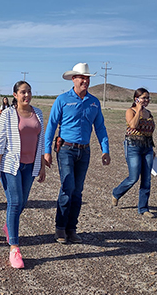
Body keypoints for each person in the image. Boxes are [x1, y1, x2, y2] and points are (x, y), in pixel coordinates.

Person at [44, 63, 110, 244]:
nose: (85, 81)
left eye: (87, 78)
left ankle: (72, 229)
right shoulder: (63, 100)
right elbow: (51, 125)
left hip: (84, 151)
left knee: (78, 191)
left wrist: (105, 150)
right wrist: (46, 150)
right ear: (74, 79)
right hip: (65, 150)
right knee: (67, 188)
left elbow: (101, 127)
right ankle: (60, 229)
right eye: (82, 77)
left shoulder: (94, 102)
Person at [0, 81, 46, 269]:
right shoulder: (7, 114)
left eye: (29, 91)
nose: (26, 95)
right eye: (22, 92)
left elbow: (41, 139)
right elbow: (0, 143)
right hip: (10, 166)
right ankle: (14, 247)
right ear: (15, 95)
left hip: (30, 167)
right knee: (14, 202)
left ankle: (9, 225)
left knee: (21, 203)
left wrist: (42, 166)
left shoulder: (38, 113)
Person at [112, 88, 156, 218]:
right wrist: (139, 110)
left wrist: (153, 149)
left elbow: (149, 133)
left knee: (147, 179)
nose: (146, 100)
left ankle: (143, 208)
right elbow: (133, 126)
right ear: (136, 99)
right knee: (133, 177)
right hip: (133, 146)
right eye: (143, 98)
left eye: (147, 98)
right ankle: (116, 193)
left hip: (147, 147)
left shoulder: (149, 113)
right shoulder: (130, 111)